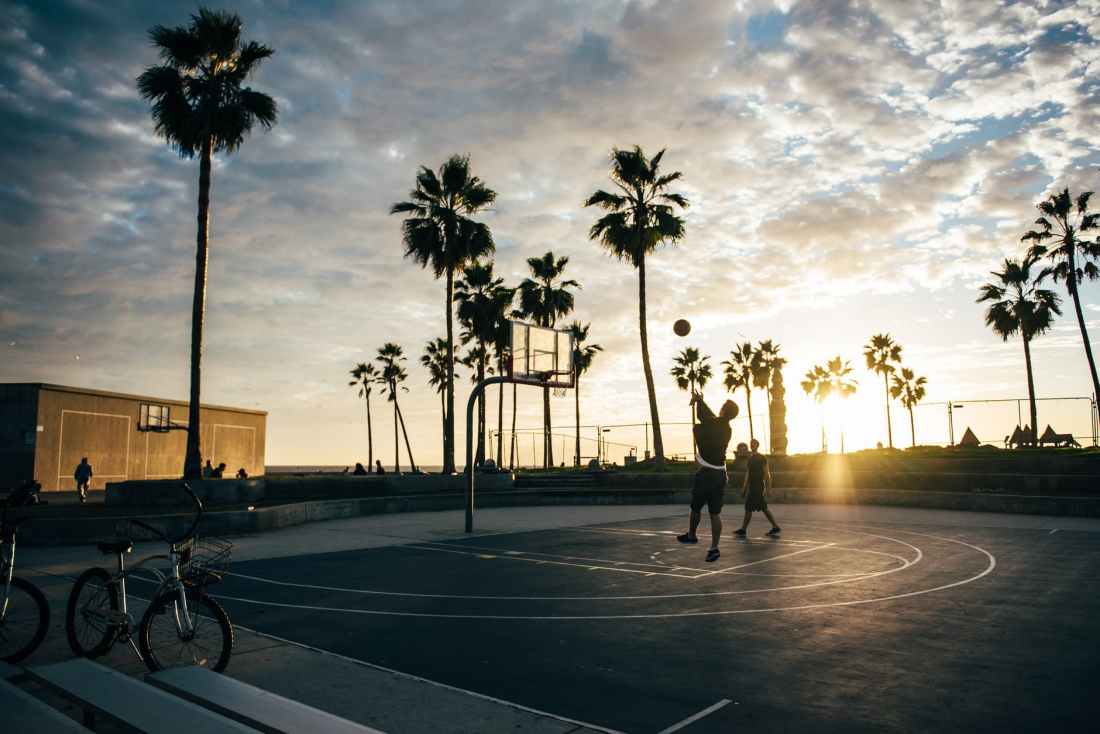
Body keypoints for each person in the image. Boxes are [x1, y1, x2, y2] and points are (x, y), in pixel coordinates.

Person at [677, 392, 738, 562]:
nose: (720, 407)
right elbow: (709, 417)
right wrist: (701, 401)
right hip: (720, 474)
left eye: (723, 406)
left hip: (706, 475)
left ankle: (692, 535)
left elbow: (703, 417)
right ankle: (714, 548)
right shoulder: (725, 427)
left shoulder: (715, 424)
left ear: (725, 410)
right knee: (714, 513)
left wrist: (698, 402)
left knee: (696, 508)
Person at [735, 439, 781, 537]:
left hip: (758, 486)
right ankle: (775, 526)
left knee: (753, 507)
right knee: (757, 507)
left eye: (754, 444)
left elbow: (767, 473)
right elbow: (748, 474)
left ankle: (744, 529)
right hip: (752, 487)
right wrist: (744, 488)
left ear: (757, 445)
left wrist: (768, 488)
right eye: (751, 444)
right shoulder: (750, 458)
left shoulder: (762, 458)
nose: (752, 445)